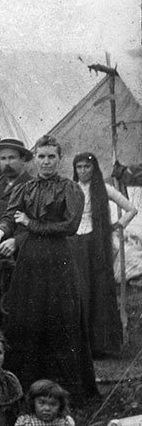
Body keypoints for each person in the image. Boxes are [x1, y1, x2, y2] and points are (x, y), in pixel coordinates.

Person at [0, 135, 98, 401]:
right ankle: (23, 387)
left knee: (60, 319)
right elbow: (12, 217)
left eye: (51, 157)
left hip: (58, 258)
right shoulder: (26, 188)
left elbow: (69, 227)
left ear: (59, 159)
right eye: (42, 156)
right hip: (30, 259)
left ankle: (66, 390)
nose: (46, 162)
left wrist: (31, 224)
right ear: (35, 159)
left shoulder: (70, 189)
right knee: (26, 317)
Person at [72, 152, 137, 356]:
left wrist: (118, 224)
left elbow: (131, 209)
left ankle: (102, 344)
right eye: (79, 167)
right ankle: (81, 344)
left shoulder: (104, 189)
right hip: (76, 242)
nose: (83, 171)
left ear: (94, 168)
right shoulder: (71, 189)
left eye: (87, 167)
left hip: (97, 243)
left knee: (99, 289)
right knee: (80, 289)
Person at [0, 137, 34, 329]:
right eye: (3, 159)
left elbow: (35, 223)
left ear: (22, 160)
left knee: (19, 301)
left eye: (12, 158)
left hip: (21, 253)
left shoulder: (31, 186)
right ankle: (1, 338)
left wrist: (16, 242)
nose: (7, 163)